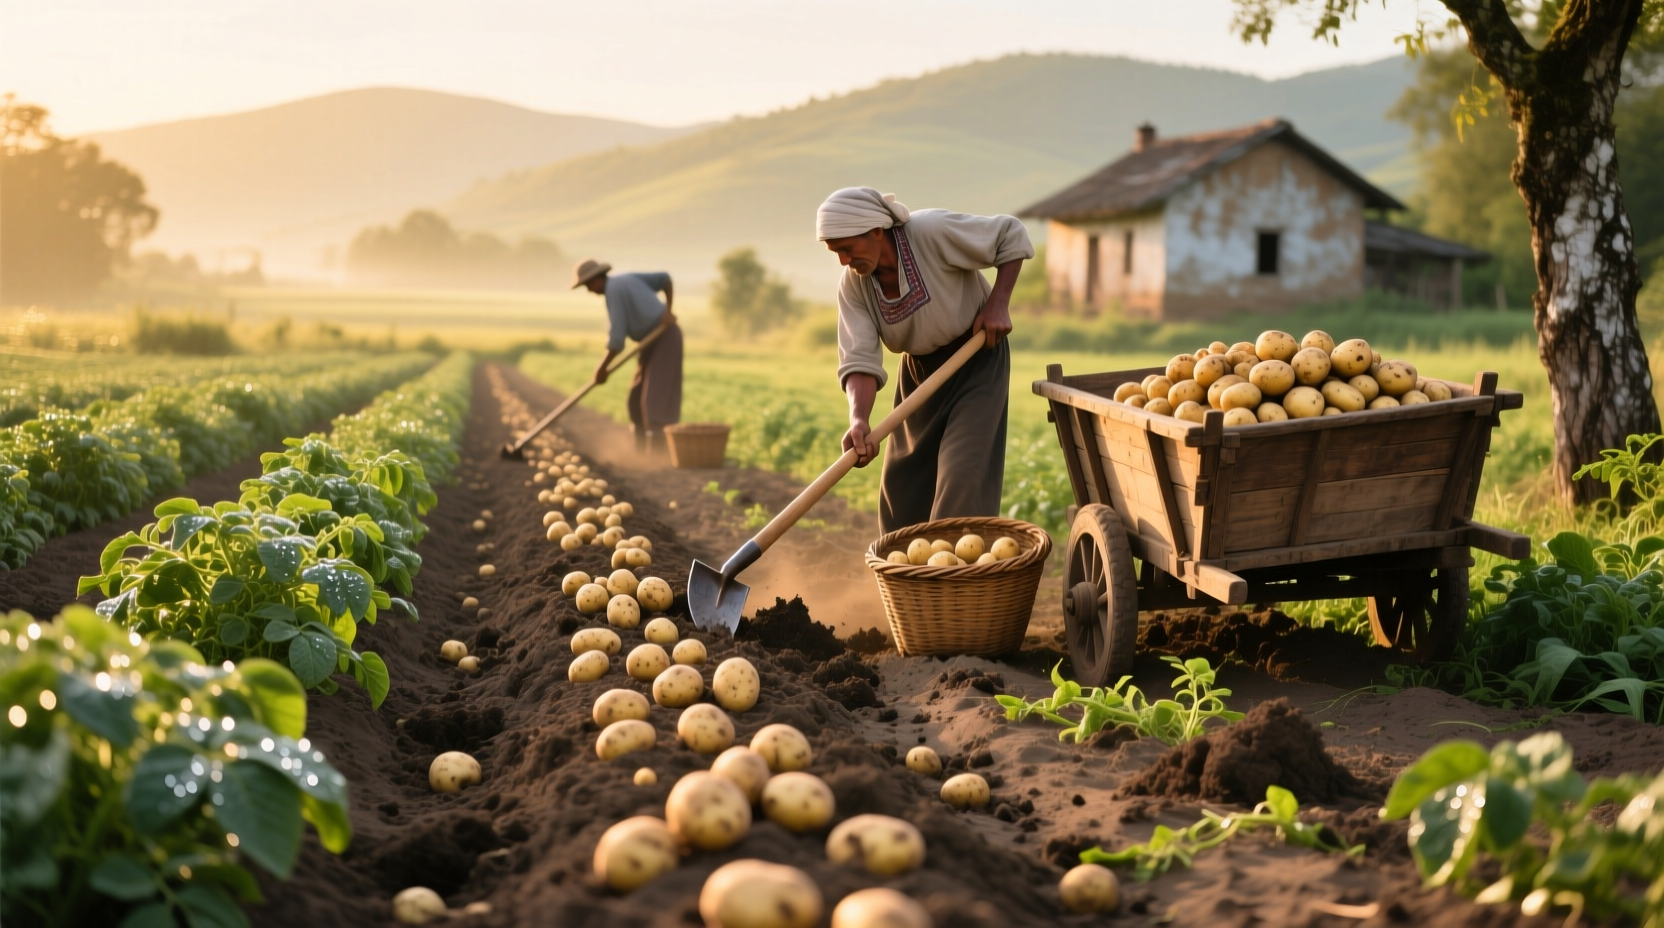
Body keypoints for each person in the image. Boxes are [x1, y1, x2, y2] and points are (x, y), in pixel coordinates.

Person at [818, 187, 1032, 534]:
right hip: (919, 374)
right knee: (902, 488)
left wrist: (998, 303)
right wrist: (859, 419)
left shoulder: (929, 232)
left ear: (875, 232)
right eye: (835, 252)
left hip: (976, 359)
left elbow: (1010, 234)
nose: (844, 260)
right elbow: (860, 357)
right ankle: (910, 579)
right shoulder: (855, 286)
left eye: (847, 248)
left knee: (960, 476)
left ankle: (955, 576)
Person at [572, 258, 683, 455]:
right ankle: (639, 455)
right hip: (647, 342)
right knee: (635, 399)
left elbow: (616, 339)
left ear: (598, 278)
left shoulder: (615, 289)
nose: (589, 290)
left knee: (655, 399)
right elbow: (665, 278)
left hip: (665, 337)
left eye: (588, 284)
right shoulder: (622, 282)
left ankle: (659, 458)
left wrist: (668, 311)